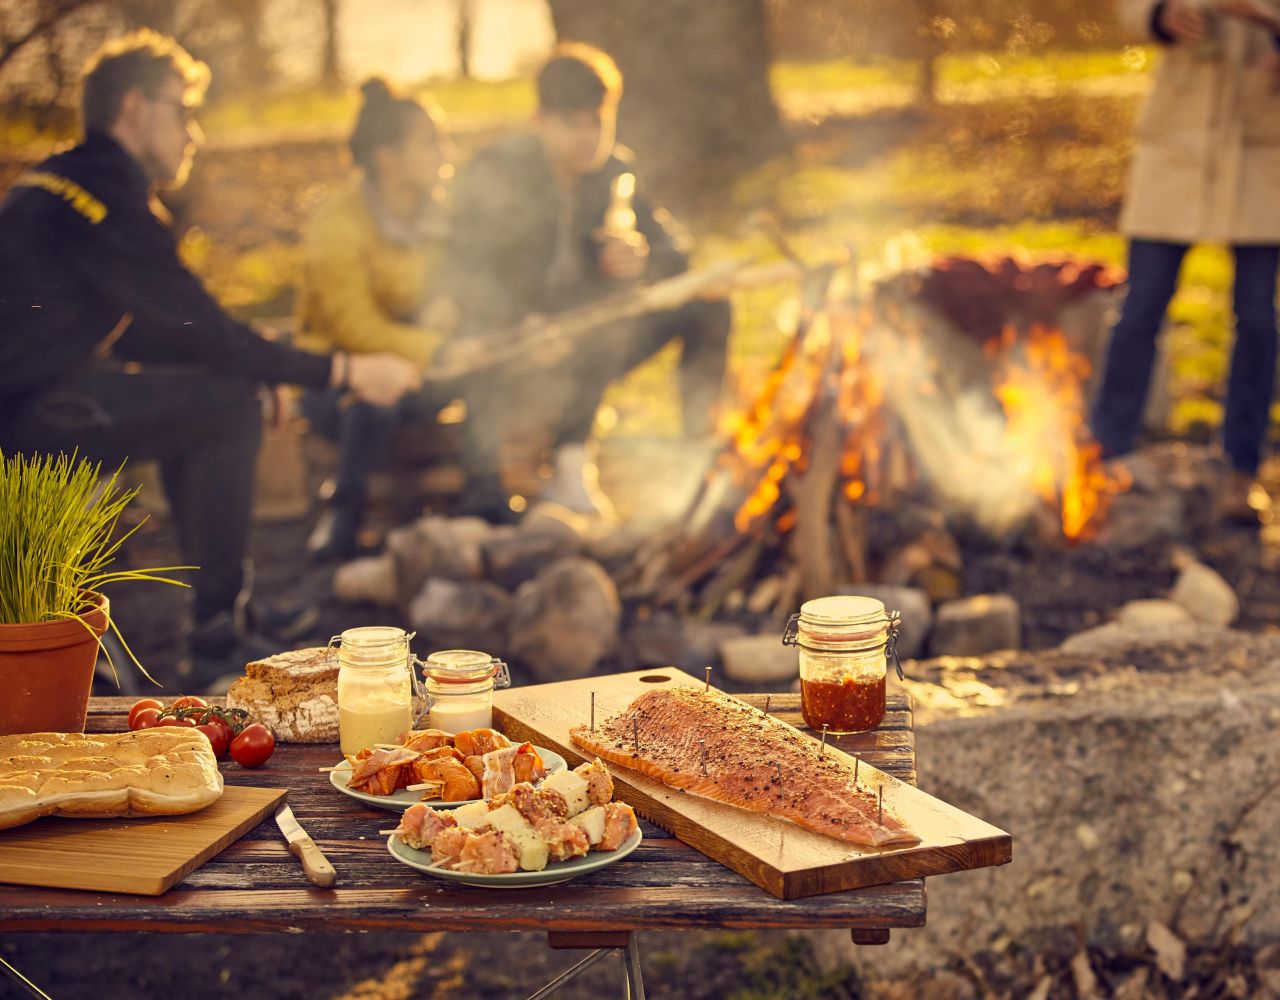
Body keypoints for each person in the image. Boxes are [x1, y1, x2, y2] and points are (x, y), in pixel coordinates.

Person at [0, 31, 421, 681]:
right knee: (226, 407)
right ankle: (220, 639)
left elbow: (161, 335)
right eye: (184, 112)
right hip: (23, 422)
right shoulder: (104, 199)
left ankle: (227, 620)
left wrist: (254, 365)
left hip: (34, 402)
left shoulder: (63, 188)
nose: (193, 134)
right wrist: (346, 370)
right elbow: (204, 328)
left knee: (221, 393)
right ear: (135, 109)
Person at [444, 42, 732, 519]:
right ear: (541, 121)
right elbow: (465, 270)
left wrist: (641, 259)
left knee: (707, 305)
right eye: (571, 125)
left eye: (597, 123)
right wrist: (519, 322)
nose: (587, 138)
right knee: (489, 342)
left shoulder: (615, 174)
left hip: (589, 339)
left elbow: (676, 254)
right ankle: (485, 489)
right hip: (511, 341)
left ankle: (695, 456)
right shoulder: (498, 173)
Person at [1091, 0, 1280, 520]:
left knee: (1259, 317)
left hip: (1262, 147)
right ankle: (1108, 456)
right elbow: (1130, 9)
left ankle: (1241, 471)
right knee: (1142, 304)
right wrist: (1160, 14)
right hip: (1177, 148)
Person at [295, 78, 454, 559]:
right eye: (429, 142)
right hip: (335, 379)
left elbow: (459, 289)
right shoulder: (337, 222)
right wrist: (437, 347)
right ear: (387, 159)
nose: (444, 153)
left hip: (418, 371)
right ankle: (345, 513)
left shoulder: (439, 219)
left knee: (491, 371)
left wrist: (457, 313)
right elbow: (353, 328)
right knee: (374, 397)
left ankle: (484, 496)